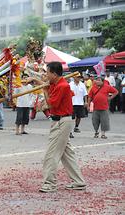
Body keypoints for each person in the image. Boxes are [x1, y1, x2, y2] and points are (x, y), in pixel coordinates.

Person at [28, 62, 86, 193]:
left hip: (61, 122)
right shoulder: (57, 84)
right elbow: (46, 84)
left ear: (54, 73)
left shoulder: (62, 86)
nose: (46, 75)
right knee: (67, 154)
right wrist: (34, 80)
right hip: (60, 121)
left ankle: (50, 183)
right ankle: (78, 181)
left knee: (52, 153)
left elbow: (51, 104)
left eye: (47, 72)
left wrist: (44, 90)